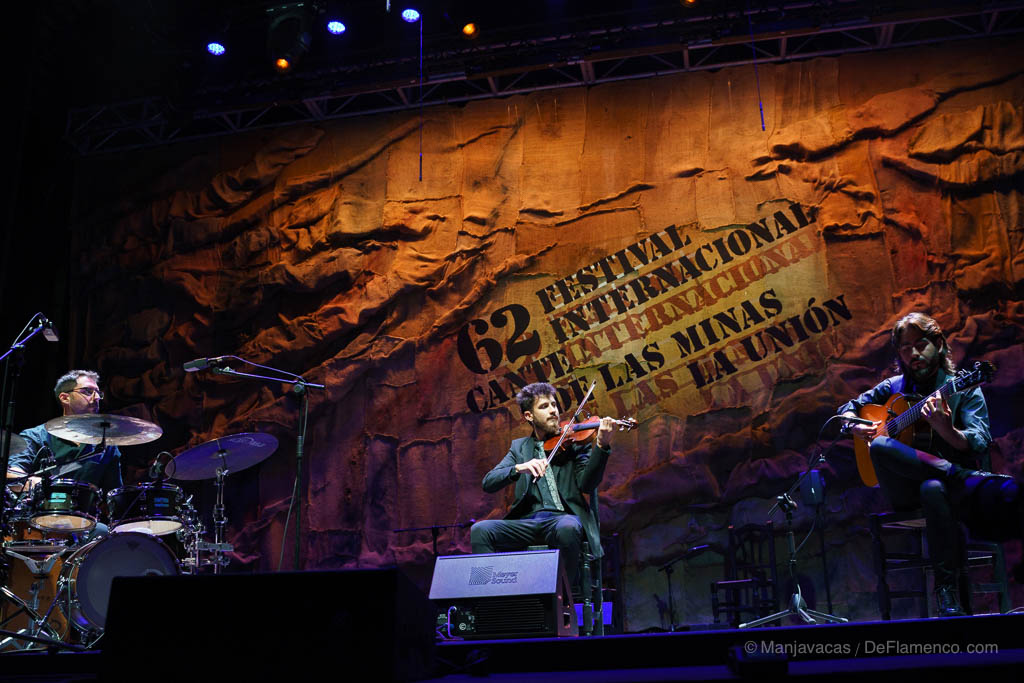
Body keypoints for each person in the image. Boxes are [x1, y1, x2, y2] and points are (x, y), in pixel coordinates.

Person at [838, 312, 991, 617]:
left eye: (920, 344)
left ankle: (945, 590)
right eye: (905, 348)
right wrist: (853, 426)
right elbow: (846, 410)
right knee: (880, 444)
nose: (913, 353)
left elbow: (980, 441)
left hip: (947, 494)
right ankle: (959, 476)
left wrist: (947, 429)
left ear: (939, 344)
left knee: (933, 488)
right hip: (903, 490)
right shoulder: (892, 387)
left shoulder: (963, 386)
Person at [471, 382, 615, 583]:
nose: (553, 411)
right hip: (526, 522)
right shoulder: (519, 448)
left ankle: (561, 596)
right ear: (529, 416)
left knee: (568, 527)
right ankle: (486, 597)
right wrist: (520, 467)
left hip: (560, 520)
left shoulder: (575, 443)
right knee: (480, 530)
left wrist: (601, 445)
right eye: (544, 406)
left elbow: (587, 485)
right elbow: (488, 482)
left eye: (554, 405)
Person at [6, 370, 123, 535]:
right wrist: (43, 486)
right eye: (88, 391)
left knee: (108, 535)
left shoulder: (106, 446)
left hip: (85, 525)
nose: (96, 398)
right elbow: (12, 474)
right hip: (37, 521)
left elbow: (113, 497)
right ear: (65, 398)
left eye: (98, 393)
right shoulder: (36, 436)